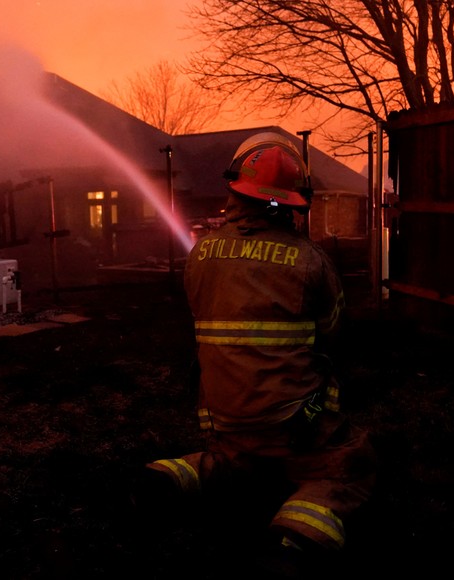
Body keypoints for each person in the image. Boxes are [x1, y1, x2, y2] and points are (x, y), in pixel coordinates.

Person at [136, 132, 378, 578]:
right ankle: (294, 539)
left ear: (234, 191)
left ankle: (170, 476)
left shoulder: (201, 255)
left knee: (234, 463)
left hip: (224, 419)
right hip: (293, 430)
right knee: (351, 464)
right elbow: (333, 336)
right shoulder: (311, 261)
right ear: (289, 203)